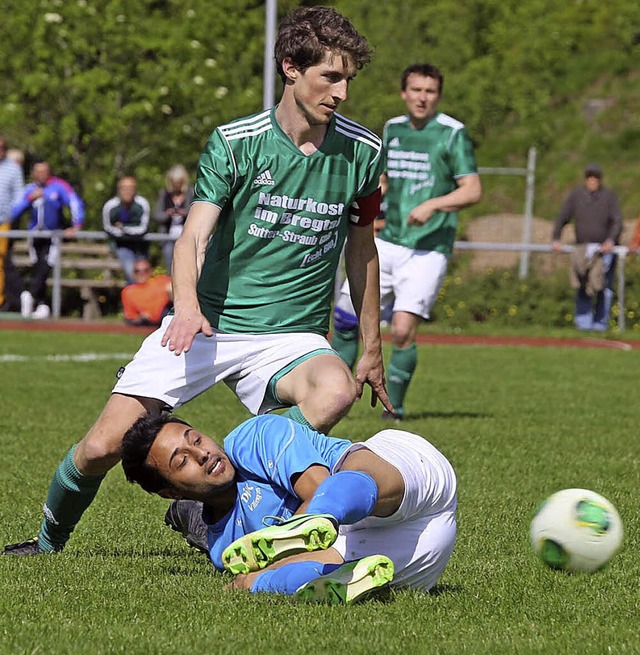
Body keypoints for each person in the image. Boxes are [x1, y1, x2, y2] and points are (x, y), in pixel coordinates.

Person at [3, 5, 391, 557]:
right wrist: (185, 306)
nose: (342, 93)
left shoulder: (364, 152)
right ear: (289, 68)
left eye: (349, 79)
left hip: (290, 337)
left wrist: (371, 347)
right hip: (205, 324)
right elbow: (193, 237)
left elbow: (362, 248)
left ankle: (222, 504)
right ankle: (47, 544)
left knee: (334, 390)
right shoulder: (236, 143)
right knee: (100, 445)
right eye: (330, 76)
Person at [120, 412, 457, 604]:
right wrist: (250, 578)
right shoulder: (224, 547)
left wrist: (265, 567)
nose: (202, 453)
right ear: (170, 492)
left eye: (195, 439)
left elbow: (317, 485)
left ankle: (311, 530)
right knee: (255, 578)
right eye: (183, 461)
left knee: (348, 474)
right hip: (409, 555)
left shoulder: (252, 438)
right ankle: (331, 582)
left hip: (402, 482)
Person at [332, 63, 482, 420]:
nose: (422, 97)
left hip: (428, 249)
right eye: (416, 90)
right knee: (344, 318)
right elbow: (382, 180)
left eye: (429, 91)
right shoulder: (392, 129)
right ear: (404, 93)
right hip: (387, 240)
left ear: (438, 96)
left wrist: (433, 204)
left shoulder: (452, 133)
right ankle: (333, 395)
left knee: (400, 329)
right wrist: (365, 204)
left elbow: (472, 189)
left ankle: (393, 407)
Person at [552, 163, 623, 331]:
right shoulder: (577, 195)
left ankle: (600, 324)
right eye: (590, 177)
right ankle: (583, 323)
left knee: (602, 286)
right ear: (586, 179)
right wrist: (555, 238)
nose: (592, 181)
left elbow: (617, 221)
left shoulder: (609, 197)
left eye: (595, 177)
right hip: (583, 249)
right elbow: (563, 216)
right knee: (582, 284)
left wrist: (610, 241)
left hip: (603, 250)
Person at [11, 160, 84, 319]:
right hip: (34, 236)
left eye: (45, 170)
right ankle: (42, 304)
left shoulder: (58, 186)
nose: (43, 174)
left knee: (46, 265)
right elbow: (14, 210)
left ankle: (30, 296)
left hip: (53, 236)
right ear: (34, 173)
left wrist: (76, 224)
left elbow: (74, 202)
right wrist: (29, 199)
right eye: (39, 171)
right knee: (38, 267)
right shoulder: (29, 189)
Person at [102, 175, 151, 285]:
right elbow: (108, 228)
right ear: (119, 190)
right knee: (131, 274)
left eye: (130, 188)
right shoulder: (110, 206)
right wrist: (127, 231)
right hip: (122, 246)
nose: (127, 191)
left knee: (145, 276)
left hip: (141, 246)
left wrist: (123, 228)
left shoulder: (142, 204)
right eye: (124, 188)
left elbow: (143, 229)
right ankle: (134, 301)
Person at [153, 165, 193, 273]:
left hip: (187, 236)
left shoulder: (191, 193)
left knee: (188, 266)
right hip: (168, 237)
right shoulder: (164, 194)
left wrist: (183, 213)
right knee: (171, 266)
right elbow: (156, 215)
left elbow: (196, 213)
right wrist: (167, 214)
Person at [0, 136, 25, 312]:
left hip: (3, 222)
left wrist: (9, 217)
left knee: (0, 260)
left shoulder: (13, 169)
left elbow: (18, 197)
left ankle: (1, 300)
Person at [121, 258, 172, 327]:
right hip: (147, 321)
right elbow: (131, 316)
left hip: (166, 313)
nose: (141, 274)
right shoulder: (128, 291)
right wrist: (141, 317)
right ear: (133, 273)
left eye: (145, 270)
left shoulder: (160, 281)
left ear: (150, 271)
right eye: (137, 271)